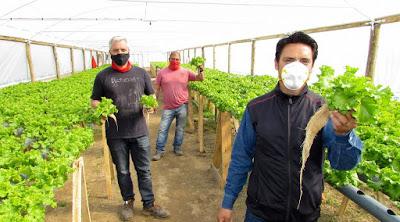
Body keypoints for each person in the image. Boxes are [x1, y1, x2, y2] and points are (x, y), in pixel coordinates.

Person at [217, 32, 363, 222]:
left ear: (312, 67)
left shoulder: (324, 110)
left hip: (304, 214)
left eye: (304, 61)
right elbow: (241, 157)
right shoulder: (257, 108)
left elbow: (342, 165)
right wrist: (227, 203)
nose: (296, 66)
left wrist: (344, 135)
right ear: (277, 64)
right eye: (289, 60)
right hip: (261, 212)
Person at [91, 36, 169, 221]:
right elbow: (94, 100)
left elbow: (152, 95)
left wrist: (151, 104)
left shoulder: (141, 74)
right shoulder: (102, 76)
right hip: (116, 134)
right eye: (116, 51)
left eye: (123, 50)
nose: (120, 54)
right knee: (123, 170)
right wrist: (100, 109)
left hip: (139, 131)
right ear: (110, 52)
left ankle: (149, 204)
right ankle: (127, 202)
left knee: (144, 170)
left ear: (128, 51)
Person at [152, 51, 204, 161]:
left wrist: (201, 69)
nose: (175, 61)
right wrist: (154, 102)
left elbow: (200, 78)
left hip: (182, 106)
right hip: (168, 107)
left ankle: (177, 147)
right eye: (172, 59)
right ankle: (159, 151)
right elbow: (157, 89)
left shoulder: (185, 72)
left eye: (177, 59)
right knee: (163, 129)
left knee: (180, 128)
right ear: (169, 59)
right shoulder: (162, 73)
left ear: (180, 60)